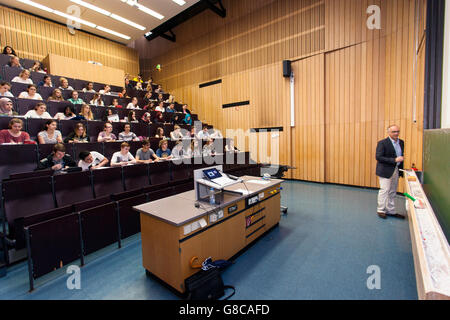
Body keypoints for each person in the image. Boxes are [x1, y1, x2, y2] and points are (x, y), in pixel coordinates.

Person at [376, 125, 405, 220]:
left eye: (397, 131)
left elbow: (401, 155)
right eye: (394, 132)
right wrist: (394, 160)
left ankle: (390, 210)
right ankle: (381, 210)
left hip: (396, 170)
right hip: (385, 170)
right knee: (384, 190)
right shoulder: (382, 143)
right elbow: (379, 157)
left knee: (392, 191)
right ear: (388, 132)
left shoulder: (401, 142)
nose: (396, 133)